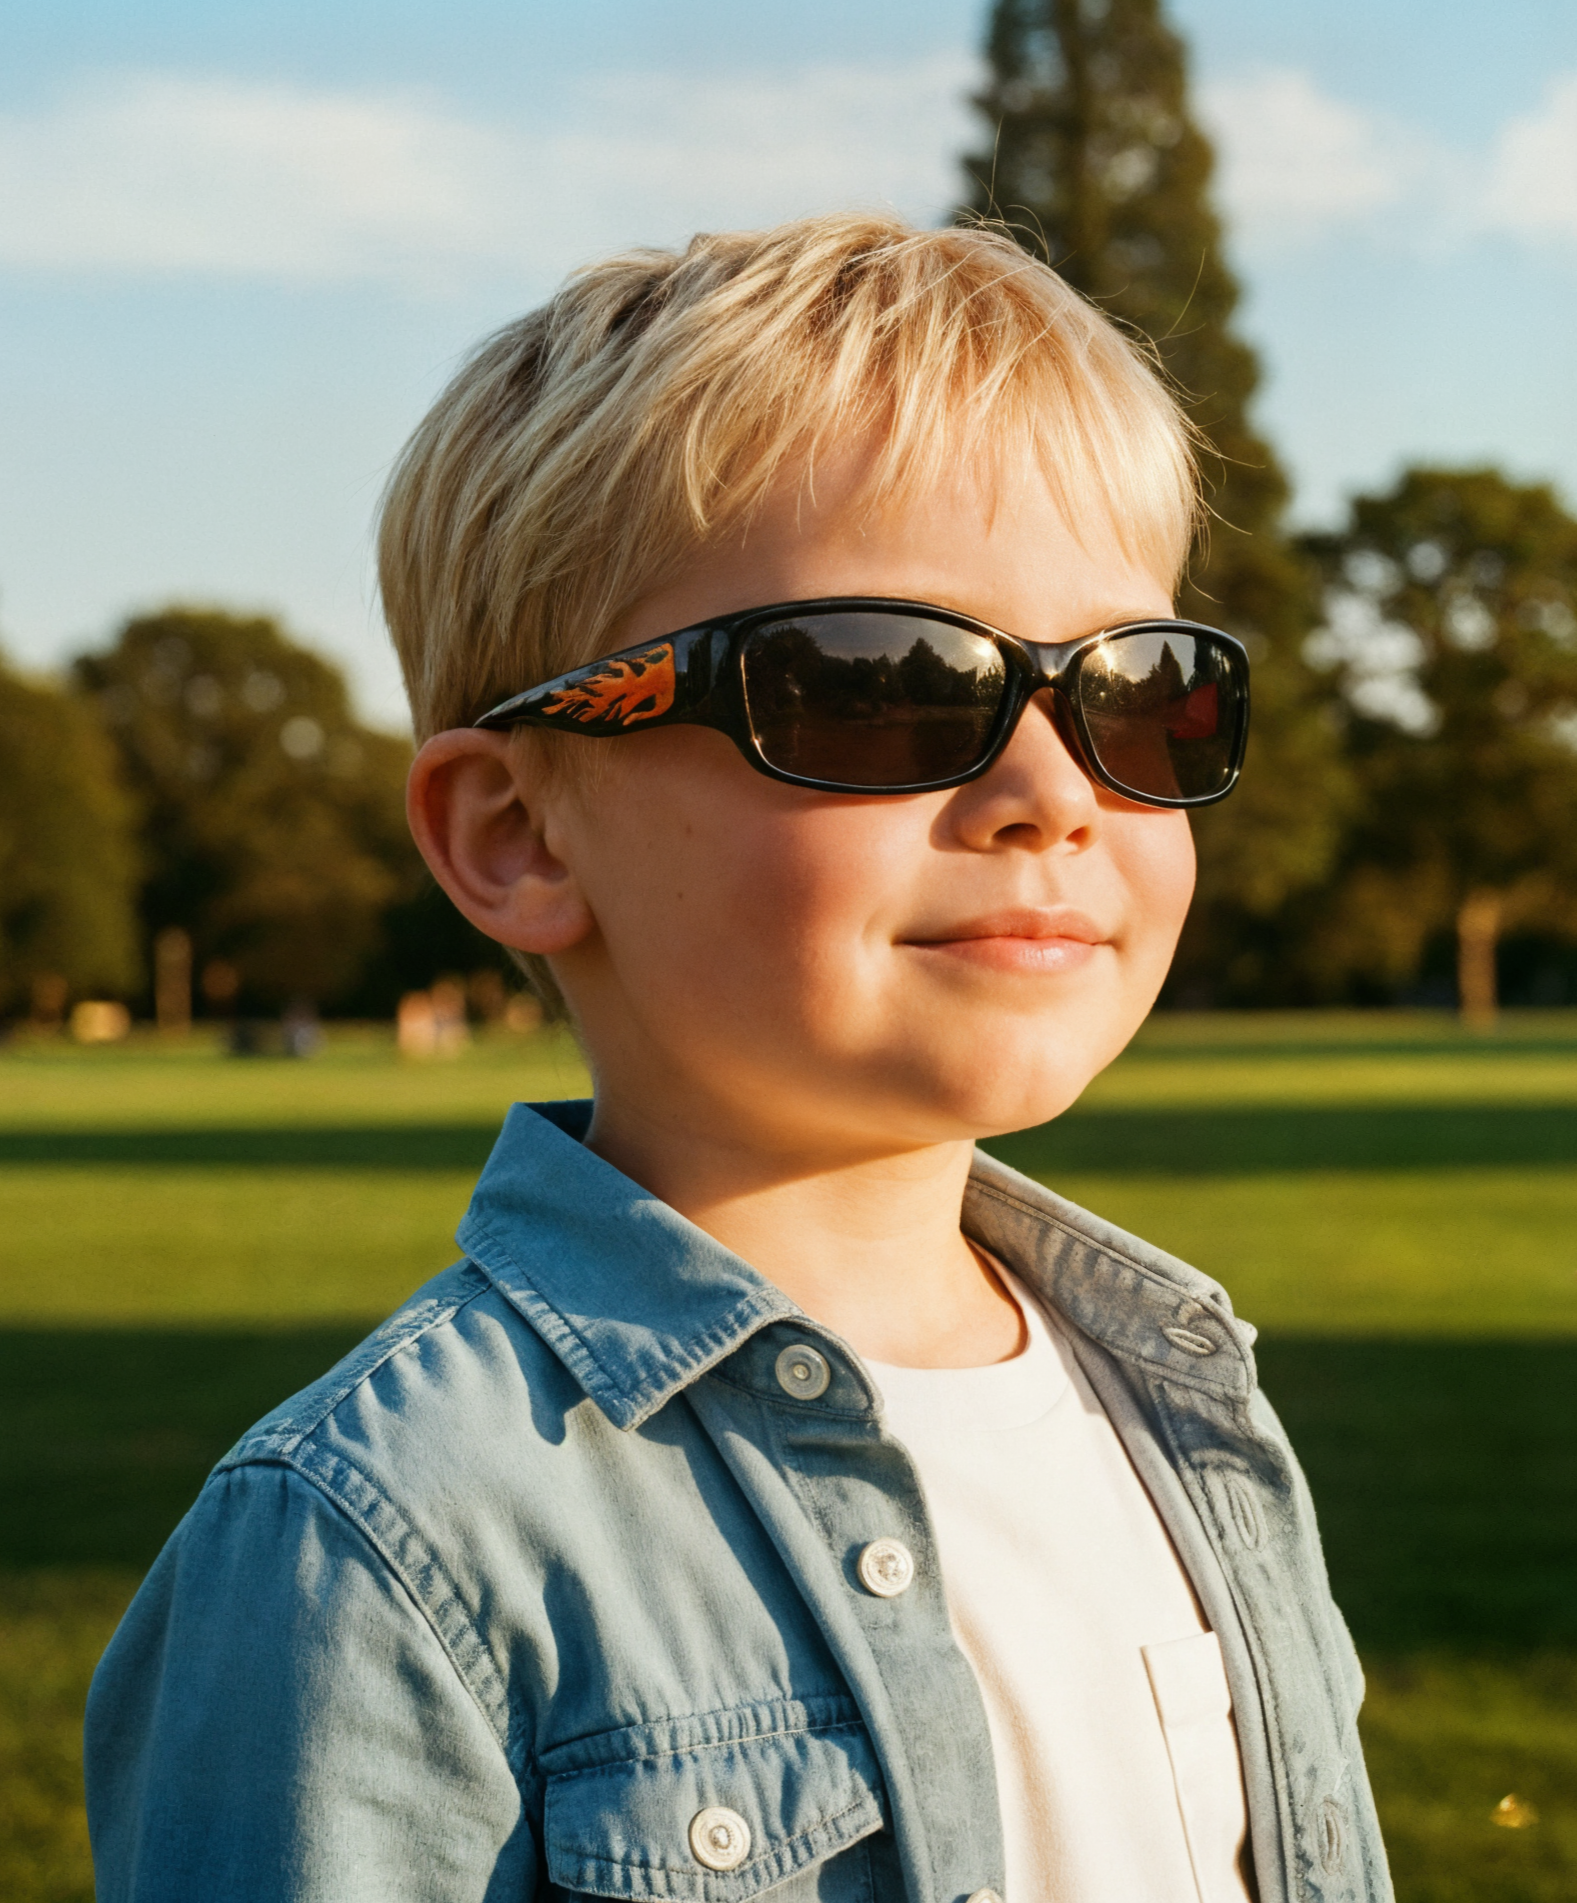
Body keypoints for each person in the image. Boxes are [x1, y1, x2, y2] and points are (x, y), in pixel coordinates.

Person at [85, 214, 1389, 1903]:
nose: (1057, 788)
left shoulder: (1182, 1403)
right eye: (881, 685)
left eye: (1135, 690)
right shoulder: (380, 1541)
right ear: (516, 834)